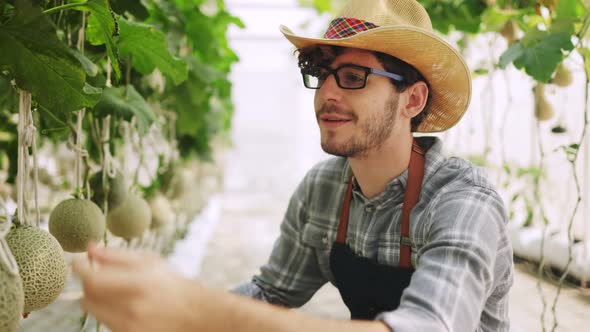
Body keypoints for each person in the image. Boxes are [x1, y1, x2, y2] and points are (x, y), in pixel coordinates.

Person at [73, 0, 514, 331]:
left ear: (412, 99)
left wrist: (193, 308)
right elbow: (270, 293)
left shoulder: (463, 202)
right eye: (321, 74)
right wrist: (165, 300)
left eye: (353, 77)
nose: (327, 94)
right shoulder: (324, 189)